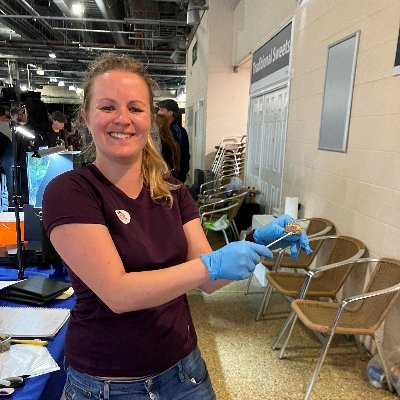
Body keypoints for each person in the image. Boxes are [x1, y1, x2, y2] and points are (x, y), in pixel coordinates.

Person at [42, 53, 311, 400]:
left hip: (185, 372)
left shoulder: (171, 191)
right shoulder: (71, 192)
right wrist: (207, 266)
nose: (122, 119)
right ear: (86, 116)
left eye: (135, 108)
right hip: (107, 384)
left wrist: (258, 240)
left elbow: (210, 281)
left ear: (150, 118)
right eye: (108, 107)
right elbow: (118, 293)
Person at [157, 98, 190, 183]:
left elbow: (183, 155)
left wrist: (179, 175)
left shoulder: (178, 131)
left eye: (161, 110)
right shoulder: (160, 129)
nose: (158, 113)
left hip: (175, 175)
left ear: (170, 113)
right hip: (162, 173)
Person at [154, 113, 181, 179]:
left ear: (159, 126)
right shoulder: (170, 140)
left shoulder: (162, 142)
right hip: (170, 175)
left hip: (163, 177)